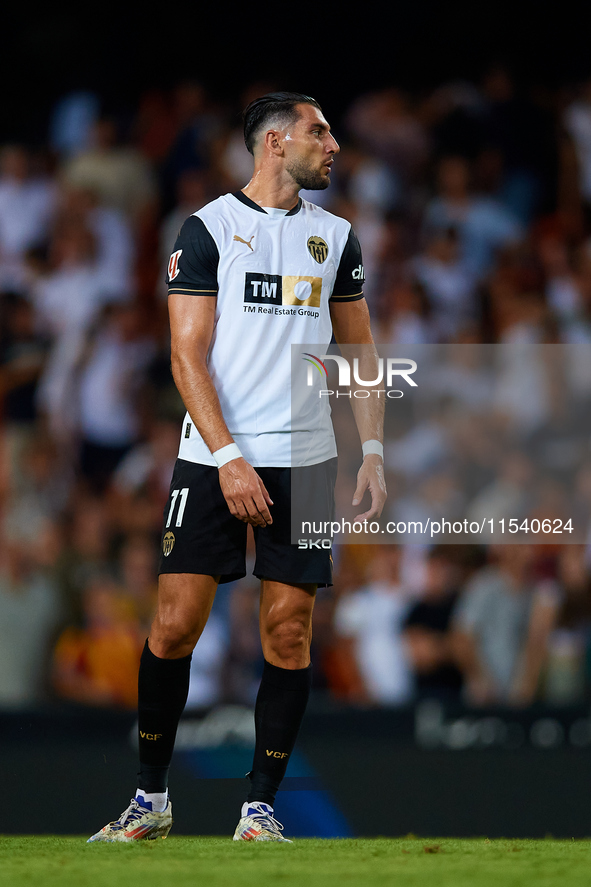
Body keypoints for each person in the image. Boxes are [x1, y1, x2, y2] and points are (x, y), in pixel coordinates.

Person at [88, 92, 387, 844]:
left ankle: (258, 808)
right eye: (321, 132)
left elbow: (361, 352)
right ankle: (149, 798)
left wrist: (374, 450)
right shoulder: (209, 229)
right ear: (275, 142)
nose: (334, 145)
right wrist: (226, 458)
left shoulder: (338, 237)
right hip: (212, 455)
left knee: (288, 633)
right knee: (174, 622)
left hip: (306, 459)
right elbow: (185, 353)